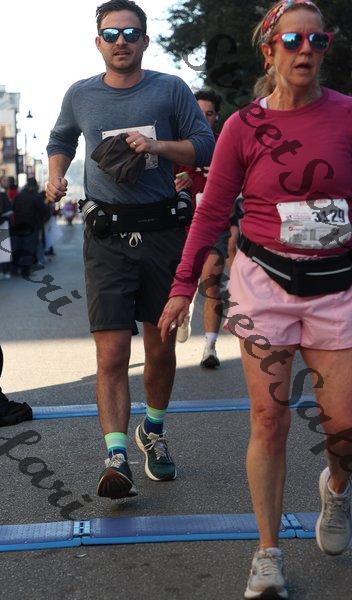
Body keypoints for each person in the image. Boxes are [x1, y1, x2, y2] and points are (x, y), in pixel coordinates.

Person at [159, 1, 352, 597]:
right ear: (269, 50)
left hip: (336, 286)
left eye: (317, 41)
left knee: (344, 426)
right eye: (293, 40)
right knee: (269, 419)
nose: (306, 50)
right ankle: (268, 553)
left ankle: (336, 490)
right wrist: (182, 287)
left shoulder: (346, 115)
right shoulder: (243, 126)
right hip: (264, 285)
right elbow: (212, 211)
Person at [46, 0, 215, 500]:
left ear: (144, 39)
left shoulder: (170, 88)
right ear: (98, 41)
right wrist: (56, 175)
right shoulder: (81, 94)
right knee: (113, 352)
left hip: (162, 232)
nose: (121, 41)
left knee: (161, 348)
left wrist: (157, 146)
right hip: (107, 238)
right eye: (111, 33)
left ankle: (153, 431)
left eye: (130, 32)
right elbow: (60, 138)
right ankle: (116, 456)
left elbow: (205, 145)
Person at [174, 89, 230, 368]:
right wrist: (176, 184)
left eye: (209, 114)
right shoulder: (178, 146)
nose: (204, 118)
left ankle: (210, 347)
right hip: (181, 225)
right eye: (199, 113)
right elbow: (159, 185)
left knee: (211, 281)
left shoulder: (225, 144)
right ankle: (185, 307)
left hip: (215, 225)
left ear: (216, 116)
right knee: (184, 281)